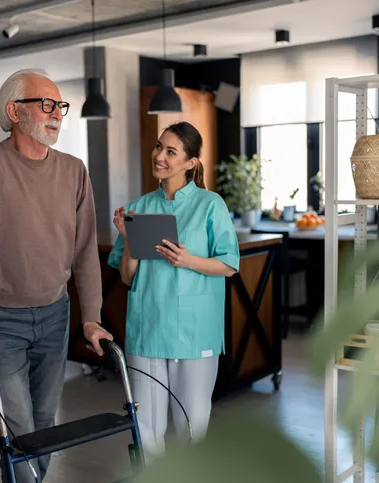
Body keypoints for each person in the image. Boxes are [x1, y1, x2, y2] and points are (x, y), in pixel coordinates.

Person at [0, 69, 111, 482]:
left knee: (44, 423)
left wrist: (91, 317)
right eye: (46, 105)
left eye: (60, 106)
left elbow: (85, 250)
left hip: (56, 315)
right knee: (18, 429)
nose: (57, 115)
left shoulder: (74, 171)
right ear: (14, 111)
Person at [108, 121, 240, 463]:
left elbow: (228, 264)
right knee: (146, 429)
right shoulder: (138, 207)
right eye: (158, 147)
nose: (160, 156)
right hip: (148, 327)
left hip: (195, 333)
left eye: (171, 151)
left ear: (190, 162)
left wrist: (188, 259)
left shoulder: (211, 205)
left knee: (192, 428)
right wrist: (129, 239)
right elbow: (126, 278)